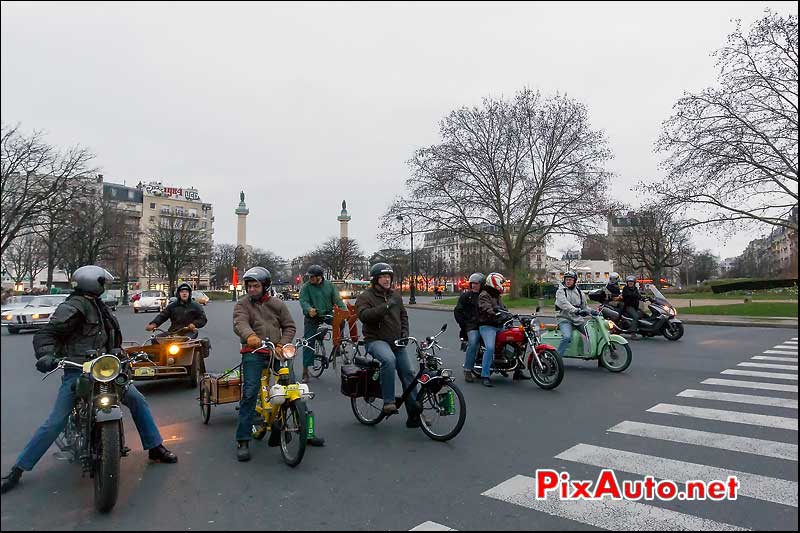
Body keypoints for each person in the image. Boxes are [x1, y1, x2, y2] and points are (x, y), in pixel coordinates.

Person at [1, 265, 177, 494]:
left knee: (136, 399)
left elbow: (109, 339)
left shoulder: (99, 305)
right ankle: (18, 469)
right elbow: (47, 333)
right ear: (92, 282)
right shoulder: (73, 306)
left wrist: (120, 353)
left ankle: (155, 446)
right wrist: (46, 355)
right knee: (56, 421)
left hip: (106, 368)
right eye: (103, 282)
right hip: (80, 369)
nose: (105, 287)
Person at [232, 266, 323, 462]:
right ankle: (243, 439)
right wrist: (250, 337)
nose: (252, 289)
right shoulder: (242, 304)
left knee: (292, 389)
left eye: (256, 286)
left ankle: (305, 432)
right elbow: (240, 323)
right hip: (253, 351)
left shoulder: (277, 304)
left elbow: (289, 326)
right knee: (250, 392)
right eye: (249, 286)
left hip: (276, 351)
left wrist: (282, 344)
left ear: (265, 286)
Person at [356, 263, 421, 427]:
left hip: (396, 341)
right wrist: (386, 306)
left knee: (408, 372)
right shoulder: (366, 296)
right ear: (375, 279)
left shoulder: (396, 296)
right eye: (383, 276)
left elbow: (403, 316)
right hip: (375, 340)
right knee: (389, 360)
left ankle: (414, 413)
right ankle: (388, 402)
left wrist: (405, 333)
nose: (386, 279)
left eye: (389, 277)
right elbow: (364, 316)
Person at [299, 265, 347, 383]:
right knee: (308, 342)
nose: (310, 278)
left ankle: (337, 345)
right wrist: (309, 309)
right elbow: (303, 301)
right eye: (309, 276)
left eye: (312, 277)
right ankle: (305, 371)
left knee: (341, 321)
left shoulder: (329, 286)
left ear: (319, 277)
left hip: (326, 313)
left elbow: (337, 299)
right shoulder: (306, 287)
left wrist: (344, 311)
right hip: (312, 316)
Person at [554, 271, 598, 358]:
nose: (568, 281)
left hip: (577, 320)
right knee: (566, 337)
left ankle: (598, 355)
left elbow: (584, 306)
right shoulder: (560, 291)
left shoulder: (579, 292)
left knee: (592, 334)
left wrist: (592, 311)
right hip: (564, 319)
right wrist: (576, 311)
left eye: (570, 280)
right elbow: (564, 304)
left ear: (575, 281)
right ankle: (557, 358)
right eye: (566, 280)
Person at [454, 273, 484, 383]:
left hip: (485, 324)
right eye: (473, 283)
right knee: (473, 342)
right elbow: (458, 311)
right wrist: (464, 325)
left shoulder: (484, 295)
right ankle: (467, 369)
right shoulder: (466, 296)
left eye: (477, 283)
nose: (474, 286)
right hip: (472, 326)